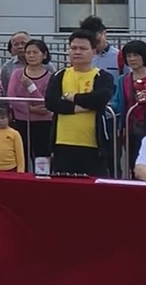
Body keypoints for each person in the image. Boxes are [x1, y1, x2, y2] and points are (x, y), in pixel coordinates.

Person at [45, 31, 115, 177]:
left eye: (83, 48)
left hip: (93, 144)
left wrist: (72, 97)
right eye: (73, 48)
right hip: (63, 143)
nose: (77, 52)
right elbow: (51, 102)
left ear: (93, 51)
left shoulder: (103, 76)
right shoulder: (59, 75)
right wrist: (80, 108)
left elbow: (99, 99)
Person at [5, 38, 56, 164]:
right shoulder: (17, 74)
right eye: (28, 52)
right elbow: (11, 97)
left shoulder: (50, 77)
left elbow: (44, 103)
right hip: (21, 121)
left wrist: (31, 86)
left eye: (35, 52)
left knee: (42, 156)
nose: (31, 55)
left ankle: (42, 175)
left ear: (44, 55)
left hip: (43, 123)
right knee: (20, 155)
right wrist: (30, 109)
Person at [119, 40, 146, 175]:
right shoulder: (123, 79)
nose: (132, 59)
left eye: (136, 55)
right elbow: (120, 103)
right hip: (131, 128)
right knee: (134, 164)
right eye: (129, 56)